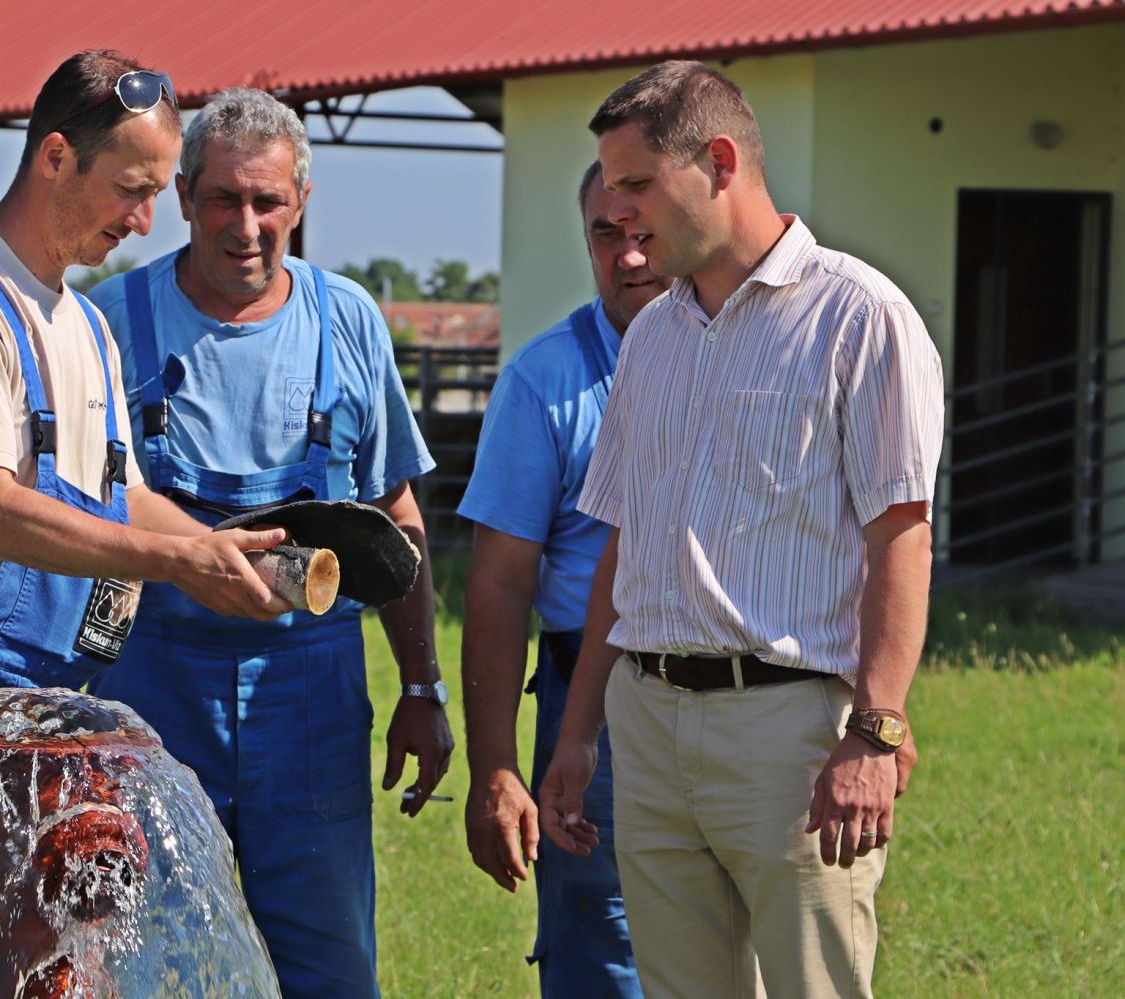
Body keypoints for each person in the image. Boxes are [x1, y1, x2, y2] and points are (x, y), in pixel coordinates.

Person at [0, 51, 292, 896]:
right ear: (54, 157)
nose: (146, 222)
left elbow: (123, 497)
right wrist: (177, 562)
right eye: (131, 189)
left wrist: (228, 550)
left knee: (50, 954)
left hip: (53, 695)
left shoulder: (84, 323)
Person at [539, 61, 942, 998]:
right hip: (648, 719)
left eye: (638, 183)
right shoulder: (653, 335)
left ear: (719, 162)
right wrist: (579, 730)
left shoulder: (860, 316)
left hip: (791, 729)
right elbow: (626, 546)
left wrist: (874, 731)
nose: (620, 212)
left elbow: (902, 537)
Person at [87, 88, 454, 998]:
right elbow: (66, 517)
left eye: (267, 201)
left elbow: (396, 519)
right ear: (183, 196)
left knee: (328, 964)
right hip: (152, 688)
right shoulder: (108, 323)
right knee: (153, 961)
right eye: (223, 198)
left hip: (311, 696)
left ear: (301, 201)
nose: (245, 226)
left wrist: (420, 688)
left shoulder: (348, 321)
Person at [458, 160, 663, 998]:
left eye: (646, 233)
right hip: (591, 698)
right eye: (606, 235)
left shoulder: (746, 358)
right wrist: (496, 767)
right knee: (602, 940)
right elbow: (501, 582)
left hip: (736, 697)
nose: (629, 256)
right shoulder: (545, 380)